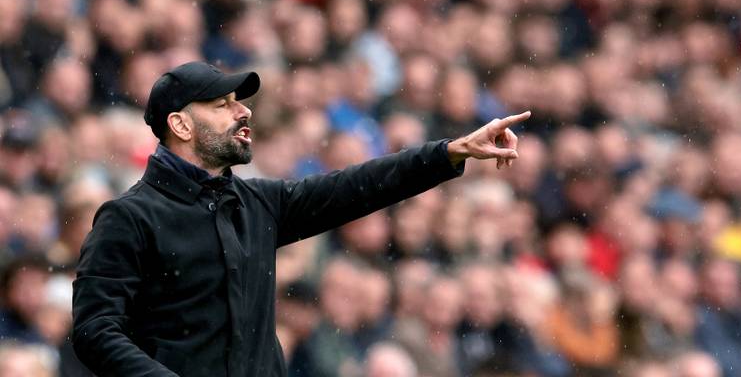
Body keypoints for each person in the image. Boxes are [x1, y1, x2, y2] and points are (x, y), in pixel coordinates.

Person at [70, 61, 531, 377]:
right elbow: (95, 329)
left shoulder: (256, 204)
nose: (243, 110)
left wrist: (449, 152)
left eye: (238, 101)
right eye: (221, 104)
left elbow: (359, 187)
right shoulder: (128, 218)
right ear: (182, 126)